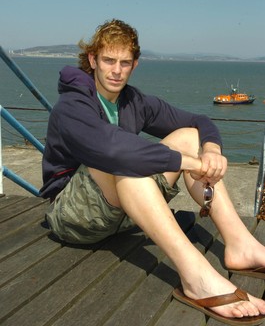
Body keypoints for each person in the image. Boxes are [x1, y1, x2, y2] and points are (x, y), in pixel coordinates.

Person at [40, 19, 265, 324]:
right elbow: (113, 150)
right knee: (125, 160)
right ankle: (197, 278)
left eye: (125, 62)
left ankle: (241, 246)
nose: (116, 70)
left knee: (189, 136)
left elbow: (199, 120)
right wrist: (190, 163)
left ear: (135, 64)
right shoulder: (72, 104)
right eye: (108, 60)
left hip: (121, 212)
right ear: (92, 60)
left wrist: (210, 150)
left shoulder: (134, 100)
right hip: (72, 217)